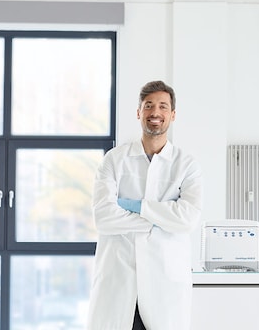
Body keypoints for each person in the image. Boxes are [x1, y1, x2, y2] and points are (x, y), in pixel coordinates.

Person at [87, 80, 203, 330]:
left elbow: (188, 219)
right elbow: (104, 218)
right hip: (119, 282)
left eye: (163, 106)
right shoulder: (114, 160)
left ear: (172, 115)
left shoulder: (187, 165)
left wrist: (135, 207)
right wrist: (161, 219)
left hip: (165, 285)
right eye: (149, 106)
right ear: (139, 112)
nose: (155, 113)